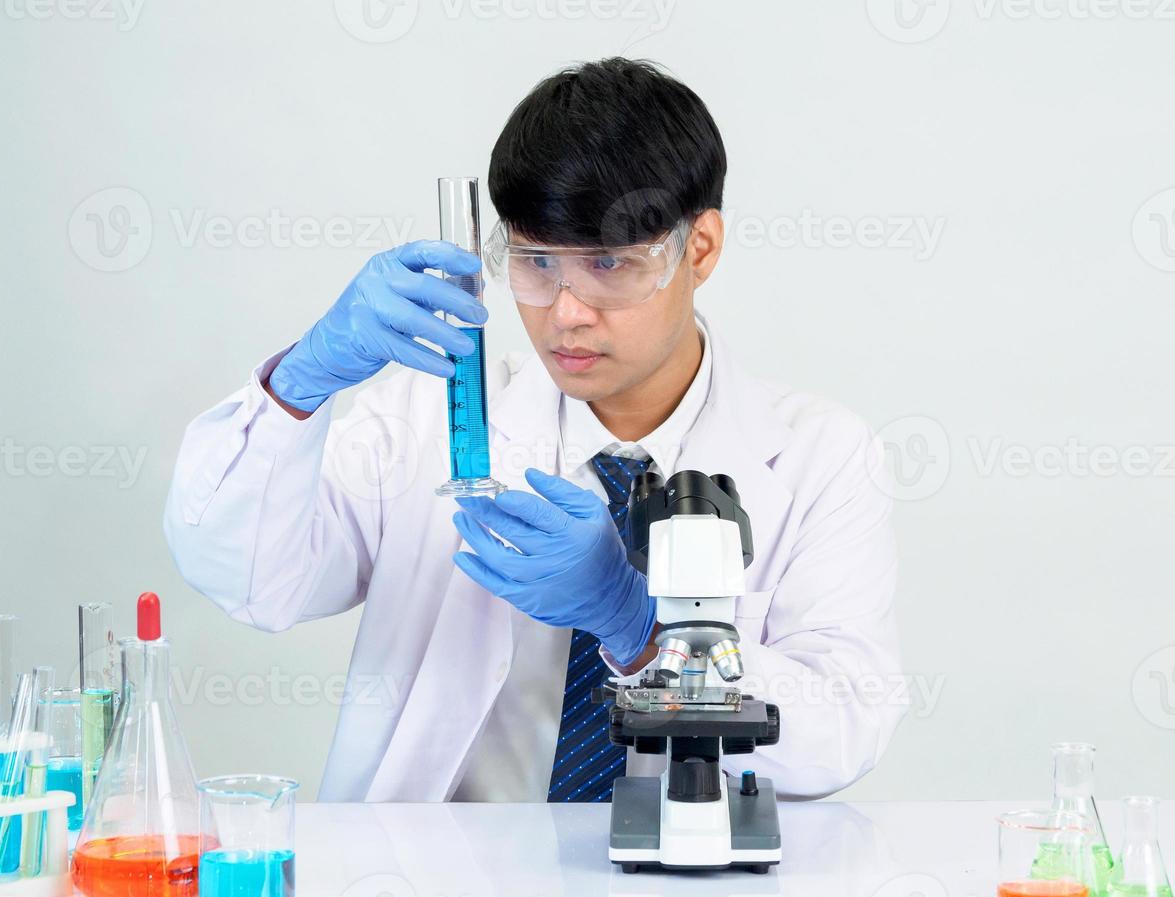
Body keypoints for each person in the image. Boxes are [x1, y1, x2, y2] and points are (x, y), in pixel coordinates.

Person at [164, 57, 904, 804]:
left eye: (610, 263)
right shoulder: (431, 420)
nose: (566, 311)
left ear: (700, 248)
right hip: (433, 895)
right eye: (536, 261)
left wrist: (639, 625)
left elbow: (839, 735)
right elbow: (253, 580)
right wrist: (298, 384)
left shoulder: (819, 457)